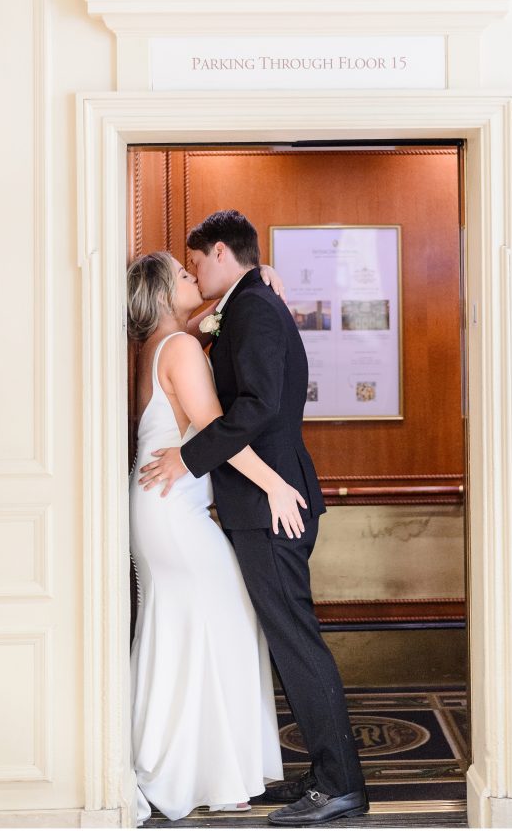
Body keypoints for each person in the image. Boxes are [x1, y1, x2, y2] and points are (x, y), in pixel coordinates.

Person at [139, 211, 368, 827]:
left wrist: (188, 457)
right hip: (259, 500)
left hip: (272, 503)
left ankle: (339, 784)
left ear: (219, 253)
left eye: (195, 262)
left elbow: (260, 407)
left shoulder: (254, 308)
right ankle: (326, 776)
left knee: (296, 640)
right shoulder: (249, 302)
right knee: (288, 638)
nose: (193, 273)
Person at [127, 252, 305, 825]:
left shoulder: (157, 346)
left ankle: (186, 763)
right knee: (226, 623)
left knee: (179, 628)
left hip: (159, 506)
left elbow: (211, 315)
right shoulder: (179, 349)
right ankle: (210, 772)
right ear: (159, 294)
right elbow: (215, 431)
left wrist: (260, 277)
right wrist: (276, 485)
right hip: (173, 511)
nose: (193, 278)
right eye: (182, 274)